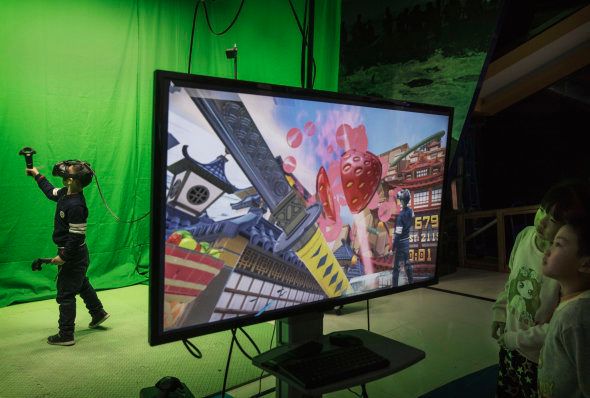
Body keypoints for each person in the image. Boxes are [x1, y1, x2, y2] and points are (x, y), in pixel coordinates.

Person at [491, 179, 590, 397]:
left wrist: (515, 339)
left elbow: (556, 325)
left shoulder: (563, 268)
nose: (541, 221)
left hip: (538, 357)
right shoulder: (524, 236)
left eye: (552, 219)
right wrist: (500, 311)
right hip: (510, 345)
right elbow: (512, 282)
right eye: (541, 210)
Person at [26, 161, 109, 346]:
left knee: (65, 293)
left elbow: (76, 237)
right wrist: (37, 175)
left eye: (67, 171)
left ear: (71, 180)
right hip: (75, 254)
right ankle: (98, 313)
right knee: (80, 283)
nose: (63, 171)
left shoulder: (76, 206)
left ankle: (66, 334)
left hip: (73, 254)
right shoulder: (64, 193)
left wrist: (63, 257)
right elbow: (50, 191)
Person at [537, 217, 590, 397]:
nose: (548, 250)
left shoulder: (577, 317)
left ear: (586, 264)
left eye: (558, 245)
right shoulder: (570, 303)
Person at [392, 188, 414, 287]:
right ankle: (411, 283)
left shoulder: (400, 217)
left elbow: (397, 235)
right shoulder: (411, 211)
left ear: (401, 201)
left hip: (400, 243)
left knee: (396, 267)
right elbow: (412, 220)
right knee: (407, 263)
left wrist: (393, 247)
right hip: (407, 241)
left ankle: (394, 286)